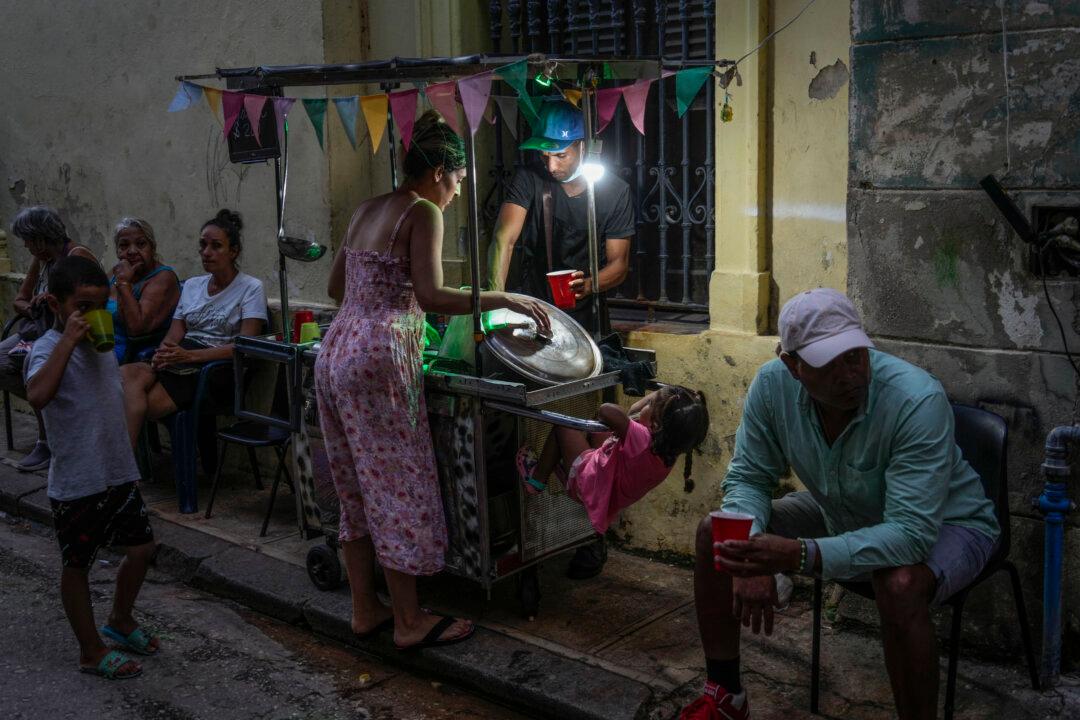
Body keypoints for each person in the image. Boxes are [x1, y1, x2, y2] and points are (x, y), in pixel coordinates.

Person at [679, 289, 1000, 720]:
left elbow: (910, 534)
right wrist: (749, 549)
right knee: (715, 533)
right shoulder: (771, 386)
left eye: (855, 356)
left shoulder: (915, 399)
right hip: (841, 509)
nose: (849, 375)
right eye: (828, 365)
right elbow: (750, 477)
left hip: (951, 523)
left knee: (898, 584)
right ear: (791, 365)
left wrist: (798, 555)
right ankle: (725, 696)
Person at [315, 110, 549, 651]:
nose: (455, 192)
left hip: (335, 352)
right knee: (396, 484)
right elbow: (434, 297)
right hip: (377, 360)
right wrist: (504, 297)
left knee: (355, 488)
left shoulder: (365, 209)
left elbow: (335, 288)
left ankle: (363, 610)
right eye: (458, 181)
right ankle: (408, 620)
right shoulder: (421, 210)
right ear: (440, 171)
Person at [488, 98, 636, 579]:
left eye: (561, 155)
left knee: (585, 438)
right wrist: (495, 304)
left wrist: (588, 284)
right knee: (527, 433)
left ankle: (589, 537)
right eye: (545, 155)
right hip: (530, 330)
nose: (551, 164)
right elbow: (504, 240)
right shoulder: (528, 181)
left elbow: (620, 264)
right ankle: (527, 532)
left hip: (586, 334)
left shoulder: (611, 191)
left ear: (583, 147)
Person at [25, 255, 158, 680]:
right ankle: (90, 650)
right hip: (77, 482)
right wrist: (66, 340)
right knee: (77, 564)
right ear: (56, 304)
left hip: (116, 472)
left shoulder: (102, 346)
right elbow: (37, 397)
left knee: (141, 549)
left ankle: (120, 619)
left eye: (100, 306)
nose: (93, 316)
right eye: (82, 307)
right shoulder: (48, 348)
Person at [121, 209, 267, 444]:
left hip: (214, 368)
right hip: (181, 359)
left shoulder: (251, 288)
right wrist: (162, 354)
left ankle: (123, 471)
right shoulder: (192, 286)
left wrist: (189, 356)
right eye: (203, 245)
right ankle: (124, 470)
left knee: (141, 405)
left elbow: (245, 347)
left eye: (216, 246)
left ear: (234, 251)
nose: (206, 253)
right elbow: (174, 334)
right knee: (123, 376)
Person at [519, 384, 709, 535]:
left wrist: (660, 394)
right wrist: (662, 399)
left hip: (588, 484)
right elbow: (633, 412)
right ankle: (569, 458)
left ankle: (536, 479)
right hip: (609, 490)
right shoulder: (668, 451)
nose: (648, 403)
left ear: (655, 424)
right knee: (606, 429)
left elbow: (606, 411)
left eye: (651, 404)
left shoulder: (642, 438)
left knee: (564, 426)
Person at [0, 206, 98, 471]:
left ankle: (47, 439)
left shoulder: (77, 257)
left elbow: (89, 306)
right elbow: (20, 300)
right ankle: (54, 414)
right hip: (38, 327)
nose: (27, 246)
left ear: (41, 237)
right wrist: (32, 305)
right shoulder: (42, 261)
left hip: (68, 332)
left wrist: (55, 303)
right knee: (2, 359)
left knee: (34, 361)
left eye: (29, 240)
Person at [106, 217, 181, 363]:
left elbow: (136, 328)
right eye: (124, 246)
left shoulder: (163, 278)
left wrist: (123, 283)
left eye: (141, 244)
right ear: (117, 251)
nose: (132, 251)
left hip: (130, 353)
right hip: (100, 344)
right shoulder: (116, 273)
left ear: (152, 248)